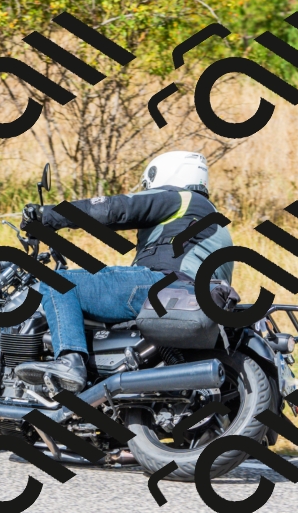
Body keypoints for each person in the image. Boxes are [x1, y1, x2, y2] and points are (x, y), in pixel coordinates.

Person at [14, 151, 234, 392]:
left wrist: (47, 216)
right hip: (180, 297)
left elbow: (113, 209)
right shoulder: (213, 222)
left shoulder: (180, 198)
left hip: (162, 285)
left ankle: (69, 362)